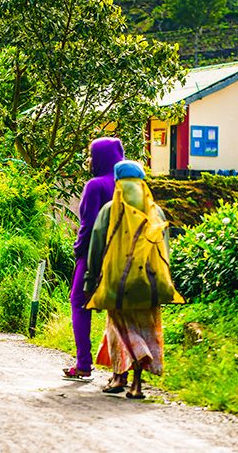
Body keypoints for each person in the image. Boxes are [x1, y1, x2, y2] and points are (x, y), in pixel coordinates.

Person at [85, 160, 183, 399]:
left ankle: (121, 376)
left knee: (120, 331)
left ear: (118, 182)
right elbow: (165, 251)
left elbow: (97, 247)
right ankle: (136, 383)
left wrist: (90, 282)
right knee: (145, 329)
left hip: (117, 284)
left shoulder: (110, 210)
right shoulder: (156, 212)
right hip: (150, 285)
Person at [63, 136, 125, 381]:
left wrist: (79, 251)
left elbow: (87, 227)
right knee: (118, 309)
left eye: (91, 155)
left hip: (93, 255)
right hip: (125, 255)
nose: (88, 160)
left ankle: (83, 363)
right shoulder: (129, 185)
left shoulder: (95, 185)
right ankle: (121, 370)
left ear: (100, 158)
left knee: (78, 301)